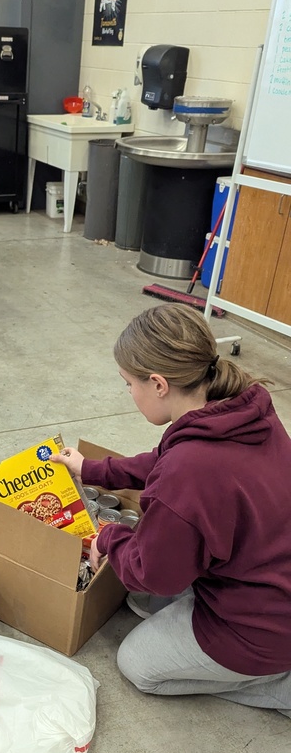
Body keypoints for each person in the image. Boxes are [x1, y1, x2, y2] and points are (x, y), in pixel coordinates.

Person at [52, 304, 291, 718]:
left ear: (159, 384)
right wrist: (91, 469)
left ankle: (278, 684)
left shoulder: (189, 470)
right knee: (143, 603)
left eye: (129, 383)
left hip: (263, 629)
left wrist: (109, 537)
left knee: (138, 665)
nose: (129, 393)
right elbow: (163, 460)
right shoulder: (240, 409)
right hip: (270, 577)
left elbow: (154, 575)